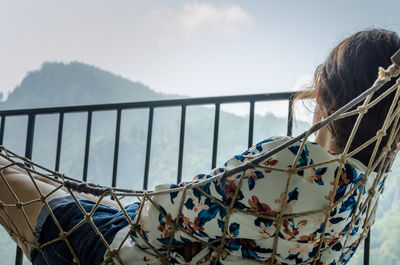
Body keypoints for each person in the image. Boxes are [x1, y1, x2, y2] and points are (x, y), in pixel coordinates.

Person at [0, 28, 399, 265]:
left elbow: (158, 219)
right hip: (173, 240)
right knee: (69, 194)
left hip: (125, 252)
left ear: (330, 95)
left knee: (8, 179)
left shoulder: (292, 165)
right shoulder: (363, 193)